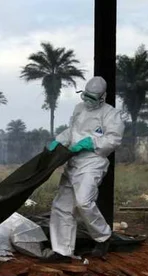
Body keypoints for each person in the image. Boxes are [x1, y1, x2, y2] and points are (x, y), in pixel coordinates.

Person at [46, 76, 125, 259]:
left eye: (92, 98)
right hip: (73, 161)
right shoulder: (79, 109)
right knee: (62, 206)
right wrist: (58, 142)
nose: (88, 101)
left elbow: (114, 139)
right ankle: (62, 251)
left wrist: (91, 142)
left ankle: (103, 236)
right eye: (86, 96)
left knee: (83, 202)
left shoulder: (111, 114)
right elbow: (71, 131)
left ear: (102, 97)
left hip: (92, 163)